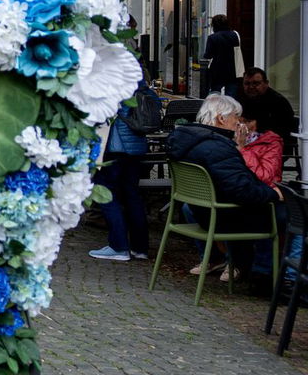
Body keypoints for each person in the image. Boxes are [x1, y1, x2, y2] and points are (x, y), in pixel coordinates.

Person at [165, 92, 282, 279]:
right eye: (236, 117)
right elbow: (241, 190)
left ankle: (241, 264)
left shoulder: (185, 140)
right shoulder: (218, 147)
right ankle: (265, 274)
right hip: (221, 215)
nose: (238, 123)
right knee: (283, 212)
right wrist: (273, 194)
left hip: (202, 210)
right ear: (221, 118)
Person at [88, 79, 154, 262]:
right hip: (136, 145)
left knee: (107, 193)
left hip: (115, 144)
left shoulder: (110, 75)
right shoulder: (138, 79)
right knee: (132, 195)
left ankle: (119, 246)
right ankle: (140, 248)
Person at [240, 68, 297, 143]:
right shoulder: (243, 98)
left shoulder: (279, 102)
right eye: (247, 83)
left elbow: (283, 130)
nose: (251, 87)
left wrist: (255, 125)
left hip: (274, 146)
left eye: (256, 83)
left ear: (266, 83)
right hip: (249, 143)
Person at [203, 14, 243, 96]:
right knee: (231, 96)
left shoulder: (212, 37)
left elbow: (208, 55)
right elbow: (237, 52)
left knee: (215, 93)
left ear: (214, 25)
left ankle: (216, 108)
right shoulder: (235, 35)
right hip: (232, 70)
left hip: (217, 70)